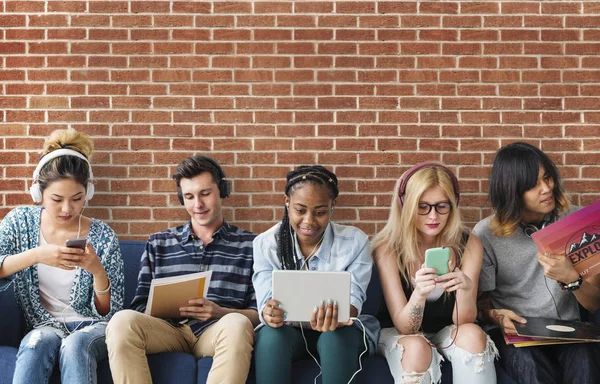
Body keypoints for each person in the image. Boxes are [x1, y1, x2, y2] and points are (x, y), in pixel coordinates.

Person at [105, 155, 258, 384]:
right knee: (121, 321)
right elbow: (139, 306)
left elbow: (258, 314)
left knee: (237, 323)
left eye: (205, 193)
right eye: (189, 196)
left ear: (222, 191)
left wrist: (219, 312)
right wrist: (167, 308)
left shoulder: (250, 245)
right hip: (168, 332)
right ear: (181, 198)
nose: (198, 205)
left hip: (217, 332)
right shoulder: (159, 243)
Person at [0, 128, 124, 384]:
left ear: (87, 193)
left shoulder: (103, 235)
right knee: (36, 344)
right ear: (38, 193)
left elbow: (109, 311)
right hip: (44, 326)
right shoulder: (19, 222)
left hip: (93, 328)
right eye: (57, 199)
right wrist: (37, 255)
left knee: (76, 345)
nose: (67, 209)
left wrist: (97, 270)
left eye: (77, 199)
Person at [474, 142, 600, 384]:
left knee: (585, 359)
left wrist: (572, 278)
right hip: (518, 335)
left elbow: (594, 303)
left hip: (569, 330)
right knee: (529, 364)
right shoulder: (486, 234)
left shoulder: (576, 221)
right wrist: (495, 315)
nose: (546, 188)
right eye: (533, 185)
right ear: (512, 192)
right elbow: (478, 306)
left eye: (547, 178)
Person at [372, 162, 498, 383]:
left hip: (447, 328)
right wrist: (419, 294)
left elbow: (464, 321)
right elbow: (405, 327)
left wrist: (466, 289)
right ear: (406, 205)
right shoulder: (388, 248)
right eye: (422, 206)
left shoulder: (468, 244)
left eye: (442, 206)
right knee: (417, 347)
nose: (433, 216)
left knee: (473, 335)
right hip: (398, 332)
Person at [252, 165, 377, 384]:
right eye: (300, 210)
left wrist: (339, 314)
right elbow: (265, 304)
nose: (309, 221)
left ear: (332, 206)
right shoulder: (265, 244)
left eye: (320, 212)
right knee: (271, 338)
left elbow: (354, 303)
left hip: (338, 331)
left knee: (334, 339)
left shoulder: (355, 242)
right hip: (288, 331)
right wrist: (269, 312)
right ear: (287, 202)